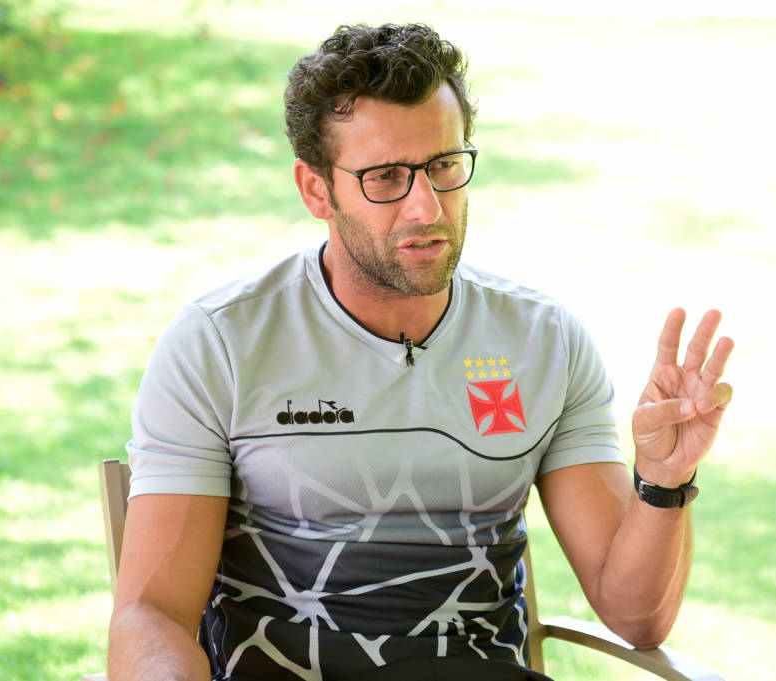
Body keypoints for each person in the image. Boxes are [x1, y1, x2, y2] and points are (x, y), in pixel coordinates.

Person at [107, 22, 734, 681]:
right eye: (385, 177)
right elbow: (152, 615)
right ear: (316, 189)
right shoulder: (219, 344)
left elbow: (636, 619)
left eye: (444, 166)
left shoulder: (543, 341)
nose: (427, 207)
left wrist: (662, 481)